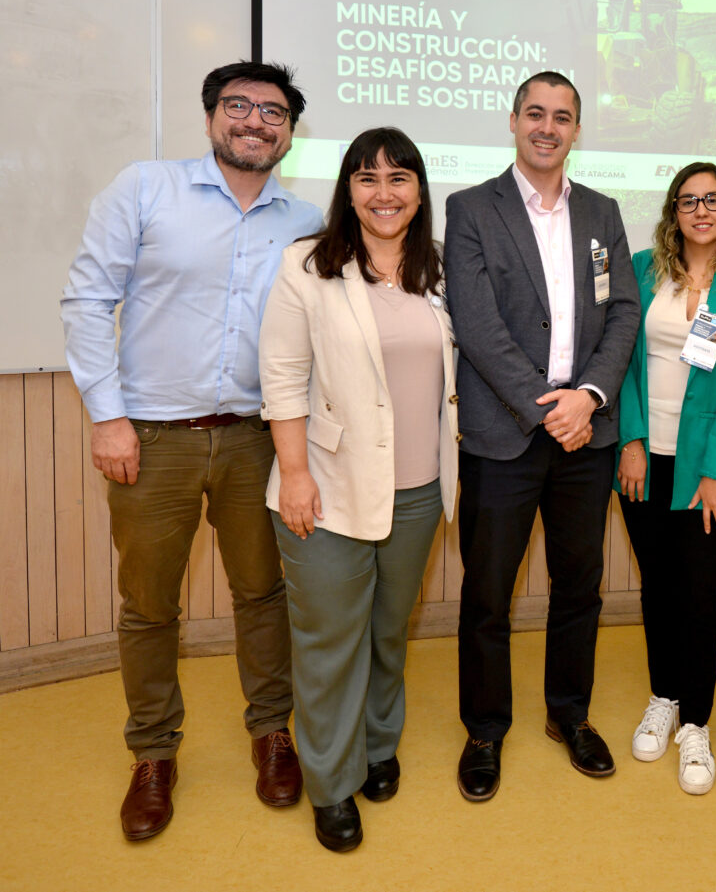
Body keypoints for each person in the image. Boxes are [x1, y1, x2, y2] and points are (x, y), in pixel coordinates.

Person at [61, 61, 322, 840]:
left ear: (288, 131)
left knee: (263, 596)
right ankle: (152, 752)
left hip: (256, 440)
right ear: (211, 115)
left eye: (272, 112)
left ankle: (272, 734)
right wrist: (107, 417)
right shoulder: (146, 187)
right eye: (238, 105)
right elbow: (87, 299)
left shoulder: (305, 221)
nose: (254, 120)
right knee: (149, 606)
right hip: (151, 439)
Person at [257, 127, 458, 851]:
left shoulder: (438, 269)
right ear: (347, 189)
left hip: (419, 489)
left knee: (386, 631)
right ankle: (332, 782)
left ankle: (378, 744)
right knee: (330, 641)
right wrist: (298, 475)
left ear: (419, 192)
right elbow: (280, 379)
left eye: (399, 178)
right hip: (329, 487)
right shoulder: (307, 267)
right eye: (368, 178)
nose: (384, 193)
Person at [444, 71, 639, 801]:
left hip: (585, 437)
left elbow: (622, 310)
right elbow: (477, 322)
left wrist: (587, 397)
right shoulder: (471, 209)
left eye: (562, 116)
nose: (547, 127)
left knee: (579, 586)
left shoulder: (602, 211)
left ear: (577, 129)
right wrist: (545, 405)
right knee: (488, 593)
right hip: (504, 435)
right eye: (535, 113)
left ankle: (570, 713)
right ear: (514, 121)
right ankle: (486, 728)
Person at [615, 163, 716, 795]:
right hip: (645, 459)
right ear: (673, 211)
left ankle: (696, 726)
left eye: (713, 199)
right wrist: (628, 439)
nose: (701, 210)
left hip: (710, 468)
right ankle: (663, 696)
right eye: (688, 200)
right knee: (657, 586)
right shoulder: (640, 267)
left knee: (699, 592)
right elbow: (618, 356)